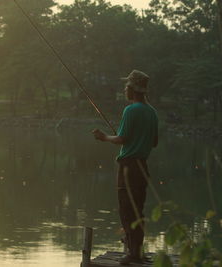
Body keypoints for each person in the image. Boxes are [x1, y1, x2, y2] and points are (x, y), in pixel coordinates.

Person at [92, 70, 158, 265]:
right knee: (138, 210)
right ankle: (137, 251)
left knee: (127, 210)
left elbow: (121, 139)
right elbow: (154, 142)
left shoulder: (131, 110)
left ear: (132, 89)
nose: (124, 90)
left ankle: (133, 254)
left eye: (126, 86)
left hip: (129, 167)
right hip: (142, 166)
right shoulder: (152, 112)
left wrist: (103, 137)